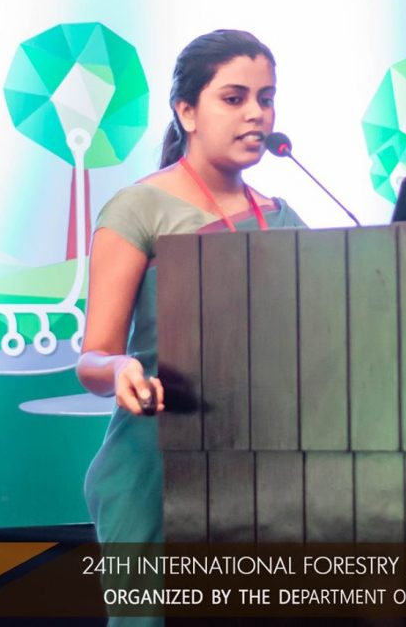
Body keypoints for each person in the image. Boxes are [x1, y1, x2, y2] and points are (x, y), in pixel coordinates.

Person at [76, 29, 306, 553]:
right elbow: (93, 360)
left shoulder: (284, 218)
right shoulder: (138, 209)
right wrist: (121, 369)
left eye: (266, 98)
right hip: (154, 473)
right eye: (234, 98)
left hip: (262, 475)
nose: (257, 114)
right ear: (187, 112)